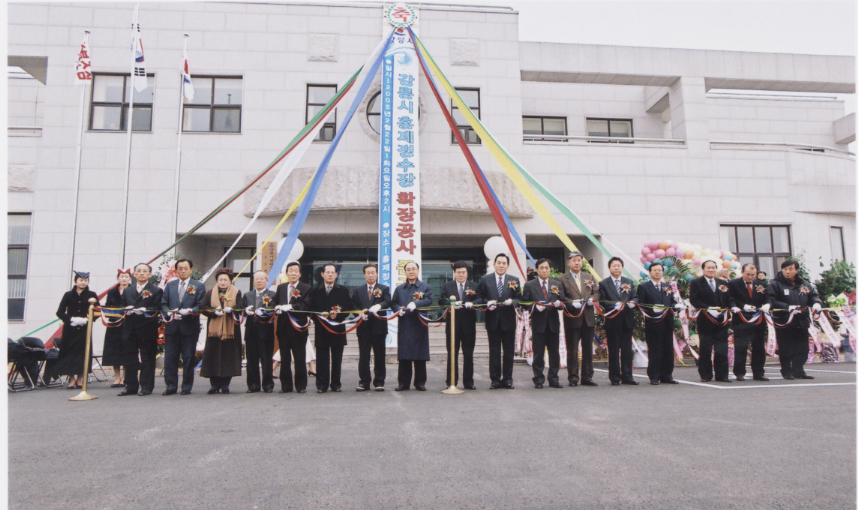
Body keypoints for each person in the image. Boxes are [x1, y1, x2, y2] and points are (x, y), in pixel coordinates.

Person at [767, 260, 822, 380]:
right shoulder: (775, 284)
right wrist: (787, 307)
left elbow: (813, 296)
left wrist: (817, 303)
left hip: (802, 321)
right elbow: (771, 300)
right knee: (786, 348)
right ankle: (786, 371)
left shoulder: (804, 284)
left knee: (803, 348)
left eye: (791, 269)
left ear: (796, 270)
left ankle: (799, 370)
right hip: (784, 322)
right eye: (785, 269)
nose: (788, 272)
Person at [160, 258, 206, 396]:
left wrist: (190, 311)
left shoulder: (198, 285)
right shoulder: (170, 285)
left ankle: (186, 386)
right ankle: (170, 386)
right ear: (176, 270)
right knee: (170, 357)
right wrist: (169, 314)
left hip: (189, 326)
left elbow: (200, 304)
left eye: (186, 268)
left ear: (191, 269)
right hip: (172, 326)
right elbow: (163, 303)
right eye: (180, 268)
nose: (183, 271)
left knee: (188, 357)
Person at [306, 264, 354, 393]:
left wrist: (337, 315)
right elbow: (310, 310)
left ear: (336, 274)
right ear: (322, 274)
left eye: (333, 272)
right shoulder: (315, 290)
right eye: (327, 272)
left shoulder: (343, 290)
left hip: (337, 329)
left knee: (337, 359)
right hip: (321, 329)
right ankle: (321, 385)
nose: (330, 275)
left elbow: (347, 308)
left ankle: (336, 384)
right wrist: (320, 316)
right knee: (322, 358)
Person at [476, 253, 520, 389]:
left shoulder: (514, 280)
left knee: (508, 351)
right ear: (494, 264)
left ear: (507, 266)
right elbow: (480, 297)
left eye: (503, 263)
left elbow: (520, 299)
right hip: (493, 320)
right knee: (494, 351)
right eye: (498, 263)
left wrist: (512, 302)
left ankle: (507, 379)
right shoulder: (485, 279)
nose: (501, 265)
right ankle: (494, 379)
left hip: (508, 321)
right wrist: (487, 303)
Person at [118, 263, 164, 396]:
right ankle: (130, 386)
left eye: (145, 271)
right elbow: (121, 306)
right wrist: (127, 310)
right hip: (130, 328)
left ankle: (146, 386)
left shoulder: (156, 290)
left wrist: (146, 310)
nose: (141, 273)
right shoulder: (128, 290)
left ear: (150, 274)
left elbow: (158, 308)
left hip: (147, 328)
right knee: (130, 358)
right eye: (139, 271)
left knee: (147, 358)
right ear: (134, 274)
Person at [522, 258, 566, 389]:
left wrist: (559, 304)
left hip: (553, 324)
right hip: (538, 324)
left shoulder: (556, 285)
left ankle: (553, 379)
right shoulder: (529, 285)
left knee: (554, 353)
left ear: (550, 269)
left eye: (547, 267)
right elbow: (524, 304)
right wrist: (535, 307)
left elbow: (562, 302)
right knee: (538, 353)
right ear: (537, 269)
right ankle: (538, 379)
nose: (544, 270)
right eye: (542, 268)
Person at [558, 251, 600, 387]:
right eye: (574, 260)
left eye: (579, 260)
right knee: (572, 349)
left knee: (588, 349)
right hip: (572, 318)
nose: (577, 262)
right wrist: (572, 303)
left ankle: (587, 377)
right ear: (568, 262)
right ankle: (573, 378)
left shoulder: (589, 276)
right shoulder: (562, 279)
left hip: (587, 318)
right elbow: (562, 297)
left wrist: (592, 299)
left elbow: (596, 292)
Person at [636, 262, 681, 385]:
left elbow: (671, 302)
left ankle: (667, 375)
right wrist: (652, 309)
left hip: (667, 321)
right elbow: (639, 305)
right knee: (655, 349)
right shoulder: (644, 287)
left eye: (660, 270)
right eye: (654, 270)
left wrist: (676, 306)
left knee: (668, 349)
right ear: (649, 272)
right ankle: (654, 375)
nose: (657, 272)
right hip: (653, 322)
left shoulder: (667, 286)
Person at [391, 262, 433, 391]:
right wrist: (398, 309)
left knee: (420, 354)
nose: (411, 271)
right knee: (404, 354)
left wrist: (417, 303)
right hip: (405, 324)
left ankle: (420, 382)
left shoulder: (425, 287)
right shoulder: (399, 289)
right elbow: (393, 303)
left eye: (413, 269)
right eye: (408, 269)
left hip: (419, 324)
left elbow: (429, 300)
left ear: (418, 271)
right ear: (404, 272)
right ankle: (403, 383)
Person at [199, 268, 243, 394]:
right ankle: (214, 385)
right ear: (217, 281)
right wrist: (213, 312)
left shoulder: (237, 292)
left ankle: (225, 385)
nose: (223, 282)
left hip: (231, 329)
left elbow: (240, 306)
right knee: (213, 356)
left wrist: (232, 309)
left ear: (230, 280)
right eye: (220, 280)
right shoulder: (210, 293)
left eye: (225, 280)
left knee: (228, 357)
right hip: (214, 330)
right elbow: (203, 307)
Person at [53, 271, 99, 389]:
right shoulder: (68, 295)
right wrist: (71, 319)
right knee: (70, 353)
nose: (83, 283)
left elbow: (98, 311)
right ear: (75, 281)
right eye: (80, 280)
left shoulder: (92, 294)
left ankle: (80, 379)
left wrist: (88, 320)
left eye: (85, 280)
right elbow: (59, 312)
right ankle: (71, 379)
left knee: (82, 354)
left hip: (84, 329)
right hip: (70, 329)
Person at [598, 257, 639, 386]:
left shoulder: (629, 282)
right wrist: (613, 305)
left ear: (622, 268)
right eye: (614, 266)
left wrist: (633, 303)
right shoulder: (604, 283)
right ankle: (615, 377)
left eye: (619, 265)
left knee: (627, 349)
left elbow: (635, 296)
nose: (616, 268)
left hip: (626, 319)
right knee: (614, 350)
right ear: (609, 268)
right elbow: (602, 301)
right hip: (613, 319)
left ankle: (628, 377)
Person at [689, 260, 732, 382]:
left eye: (713, 268)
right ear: (703, 270)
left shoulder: (723, 283)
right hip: (705, 320)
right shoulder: (696, 283)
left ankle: (722, 375)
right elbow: (694, 300)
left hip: (721, 320)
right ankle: (706, 375)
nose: (711, 270)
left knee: (722, 348)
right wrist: (708, 308)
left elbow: (728, 298)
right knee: (706, 348)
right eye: (708, 268)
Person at [439, 261, 479, 390]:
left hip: (469, 326)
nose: (461, 275)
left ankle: (468, 382)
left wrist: (472, 303)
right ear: (454, 273)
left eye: (463, 272)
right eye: (458, 272)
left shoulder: (474, 286)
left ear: (467, 273)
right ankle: (451, 381)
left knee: (468, 354)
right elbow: (441, 300)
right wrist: (451, 304)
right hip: (452, 325)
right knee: (452, 353)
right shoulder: (447, 286)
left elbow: (480, 299)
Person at [727, 263, 770, 381]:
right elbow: (730, 298)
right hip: (741, 319)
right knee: (741, 347)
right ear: (742, 272)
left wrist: (767, 304)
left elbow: (767, 297)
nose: (750, 277)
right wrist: (741, 306)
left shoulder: (761, 284)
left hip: (758, 320)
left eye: (753, 275)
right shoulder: (734, 283)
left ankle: (759, 373)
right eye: (748, 274)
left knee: (759, 347)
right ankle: (739, 372)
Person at [351, 263, 390, 391]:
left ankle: (379, 381)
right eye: (368, 273)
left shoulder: (383, 288)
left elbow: (387, 301)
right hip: (363, 327)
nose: (371, 275)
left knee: (379, 355)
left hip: (378, 328)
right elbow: (353, 305)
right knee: (364, 356)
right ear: (364, 274)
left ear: (377, 274)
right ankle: (364, 381)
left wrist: (379, 306)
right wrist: (359, 312)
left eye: (373, 272)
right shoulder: (359, 290)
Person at [274, 262, 311, 393]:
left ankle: (301, 386)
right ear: (287, 273)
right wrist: (277, 308)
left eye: (296, 270)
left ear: (300, 273)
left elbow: (306, 305)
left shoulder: (306, 288)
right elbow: (276, 302)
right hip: (283, 328)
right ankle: (286, 386)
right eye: (291, 270)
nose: (293, 273)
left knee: (300, 358)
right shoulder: (281, 287)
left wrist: (291, 307)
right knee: (284, 359)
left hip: (298, 328)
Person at [243, 270, 277, 393]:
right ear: (253, 281)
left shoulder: (272, 294)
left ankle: (268, 385)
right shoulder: (247, 295)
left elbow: (273, 308)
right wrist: (245, 310)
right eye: (256, 279)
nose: (258, 281)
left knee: (266, 360)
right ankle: (253, 385)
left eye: (261, 279)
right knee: (251, 360)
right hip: (251, 331)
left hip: (265, 331)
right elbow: (243, 310)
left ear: (267, 281)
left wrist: (264, 311)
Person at [102, 269, 132, 388]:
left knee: (126, 350)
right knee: (114, 351)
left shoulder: (133, 290)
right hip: (114, 324)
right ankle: (117, 378)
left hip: (128, 324)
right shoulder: (112, 292)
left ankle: (124, 377)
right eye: (121, 276)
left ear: (130, 278)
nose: (124, 279)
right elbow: (108, 306)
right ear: (118, 278)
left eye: (126, 276)